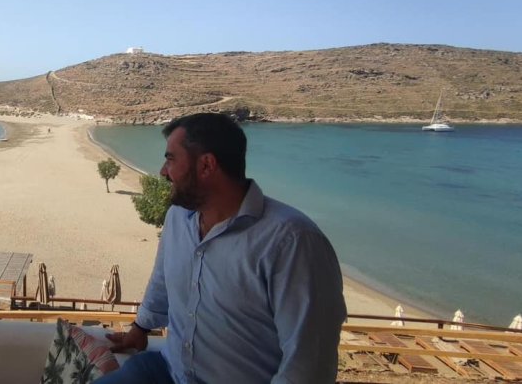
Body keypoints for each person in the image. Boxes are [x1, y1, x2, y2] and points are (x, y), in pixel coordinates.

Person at [98, 113, 346, 384]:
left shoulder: (292, 242)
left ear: (206, 165)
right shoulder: (178, 217)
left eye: (170, 159)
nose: (163, 171)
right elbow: (162, 279)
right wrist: (140, 328)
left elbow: (309, 365)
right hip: (168, 371)